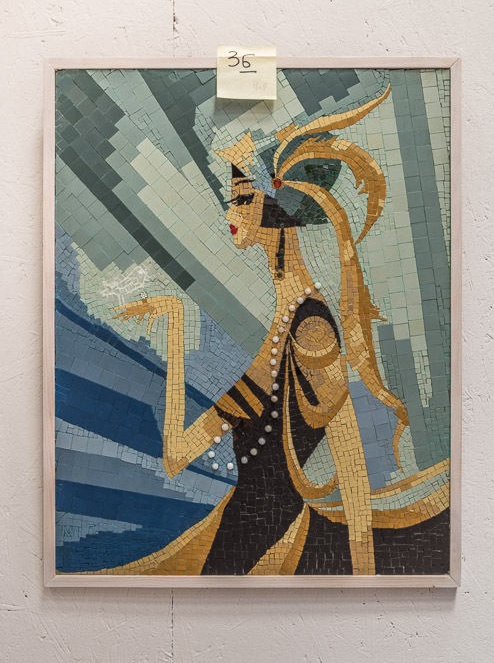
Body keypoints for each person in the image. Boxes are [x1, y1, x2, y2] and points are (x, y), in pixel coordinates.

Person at [104, 85, 418, 576]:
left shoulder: (312, 330)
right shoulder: (282, 330)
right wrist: (176, 322)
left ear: (276, 207)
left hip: (259, 546)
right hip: (235, 547)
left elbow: (351, 467)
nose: (230, 215)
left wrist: (364, 575)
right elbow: (176, 456)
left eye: (241, 199)